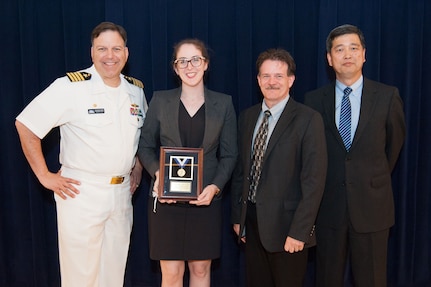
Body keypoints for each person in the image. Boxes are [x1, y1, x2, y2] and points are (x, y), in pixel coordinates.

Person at [15, 22, 147, 287]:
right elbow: (26, 124)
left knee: (113, 275)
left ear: (127, 53)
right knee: (80, 278)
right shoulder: (70, 87)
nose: (110, 56)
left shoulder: (136, 90)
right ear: (92, 53)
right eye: (102, 49)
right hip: (81, 194)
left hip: (121, 196)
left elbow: (140, 136)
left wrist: (137, 167)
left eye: (116, 49)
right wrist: (44, 175)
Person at [304, 24, 406, 287]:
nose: (347, 54)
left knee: (372, 279)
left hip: (372, 207)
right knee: (327, 279)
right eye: (339, 49)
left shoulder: (387, 96)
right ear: (329, 58)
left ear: (364, 55)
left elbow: (392, 149)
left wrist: (368, 176)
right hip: (328, 208)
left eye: (353, 48)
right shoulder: (313, 101)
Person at [137, 38, 237, 287]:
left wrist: (215, 187)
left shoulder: (223, 103)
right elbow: (145, 146)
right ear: (175, 67)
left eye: (195, 59)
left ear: (205, 64)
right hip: (165, 199)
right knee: (170, 274)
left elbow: (229, 154)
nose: (189, 66)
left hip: (205, 199)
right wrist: (158, 173)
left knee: (201, 270)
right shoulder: (160, 100)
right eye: (183, 61)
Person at [231, 48, 327, 287]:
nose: (271, 82)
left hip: (288, 228)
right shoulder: (247, 117)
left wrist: (300, 232)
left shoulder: (308, 119)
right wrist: (238, 217)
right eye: (265, 76)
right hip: (252, 224)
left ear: (291, 80)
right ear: (258, 80)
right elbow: (241, 172)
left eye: (278, 76)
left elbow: (314, 181)